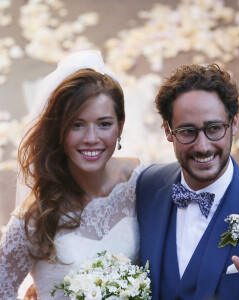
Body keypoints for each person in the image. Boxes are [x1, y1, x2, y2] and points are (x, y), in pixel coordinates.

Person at [136, 63, 239, 300]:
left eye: (214, 128)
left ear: (233, 124)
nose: (202, 146)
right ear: (168, 130)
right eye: (187, 131)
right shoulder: (148, 185)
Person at [0, 50, 143, 299]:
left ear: (120, 125)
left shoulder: (136, 179)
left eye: (104, 124)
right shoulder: (33, 217)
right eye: (77, 124)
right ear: (59, 129)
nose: (91, 138)